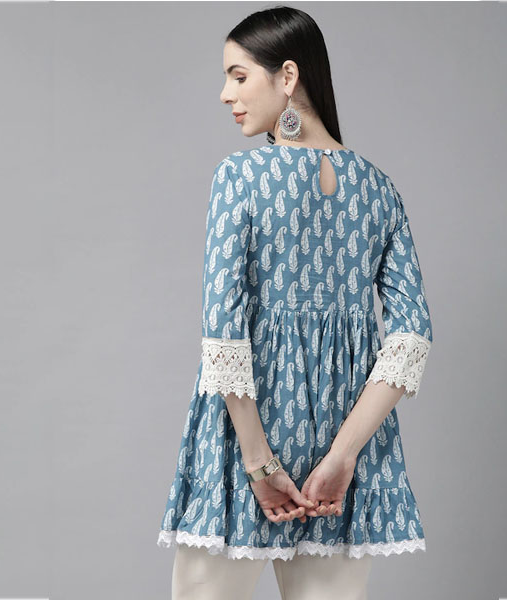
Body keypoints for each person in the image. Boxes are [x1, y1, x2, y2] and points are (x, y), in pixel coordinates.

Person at [157, 6, 433, 600]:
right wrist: (343, 455)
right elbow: (411, 338)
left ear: (287, 76)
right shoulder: (379, 190)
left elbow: (224, 332)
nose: (225, 94)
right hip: (341, 457)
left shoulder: (239, 178)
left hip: (243, 444)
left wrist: (260, 465)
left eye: (238, 76)